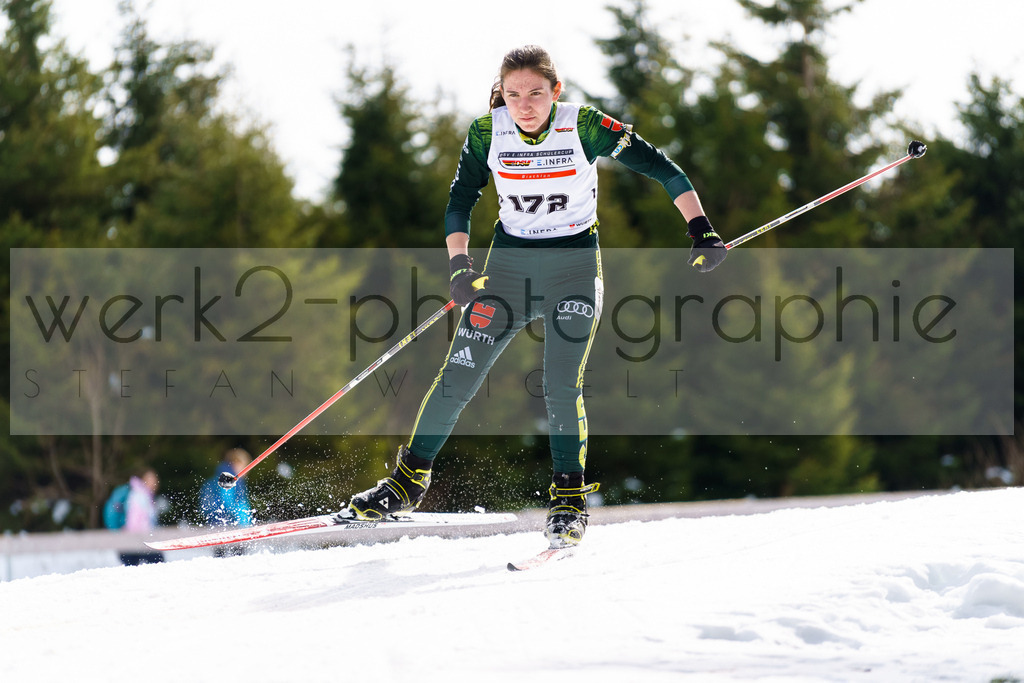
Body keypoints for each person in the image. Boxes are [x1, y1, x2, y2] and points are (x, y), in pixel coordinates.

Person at [340, 45, 726, 548]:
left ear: (555, 91)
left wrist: (701, 229)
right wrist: (459, 266)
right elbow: (460, 201)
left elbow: (662, 169)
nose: (524, 105)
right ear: (501, 93)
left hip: (574, 271)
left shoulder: (584, 125)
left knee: (560, 384)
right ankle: (407, 483)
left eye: (536, 94)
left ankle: (568, 500)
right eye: (513, 94)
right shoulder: (487, 131)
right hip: (508, 273)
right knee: (458, 374)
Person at [200, 448, 256, 527]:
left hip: (218, 519)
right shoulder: (228, 480)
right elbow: (227, 502)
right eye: (244, 465)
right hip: (224, 521)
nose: (247, 470)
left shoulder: (228, 478)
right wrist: (243, 521)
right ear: (235, 463)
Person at [123, 468, 160, 532]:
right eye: (152, 481)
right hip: (140, 531)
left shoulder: (144, 494)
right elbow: (138, 515)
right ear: (145, 480)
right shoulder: (141, 495)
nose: (155, 483)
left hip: (140, 530)